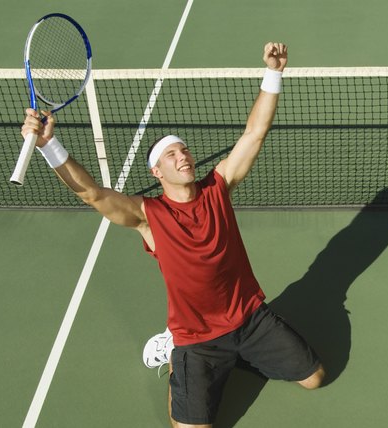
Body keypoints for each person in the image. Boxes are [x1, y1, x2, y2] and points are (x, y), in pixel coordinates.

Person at [21, 42, 325, 428]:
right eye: (171, 154)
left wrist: (274, 72)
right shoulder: (149, 216)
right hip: (197, 339)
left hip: (249, 320)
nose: (183, 156)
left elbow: (254, 134)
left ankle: (241, 356)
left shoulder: (218, 187)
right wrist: (48, 145)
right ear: (157, 172)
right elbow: (92, 194)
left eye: (184, 150)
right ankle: (173, 354)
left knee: (314, 379)